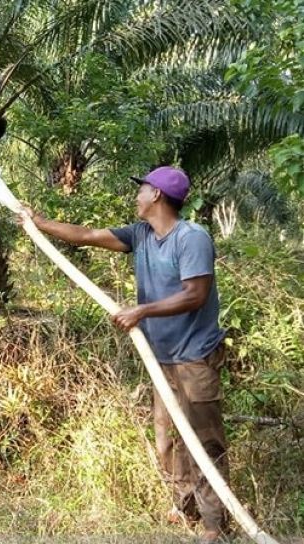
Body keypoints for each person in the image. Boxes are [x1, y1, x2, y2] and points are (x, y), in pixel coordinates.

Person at [19, 166, 229, 542]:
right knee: (167, 437)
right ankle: (185, 506)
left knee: (204, 438)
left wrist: (141, 310)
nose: (137, 196)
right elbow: (85, 236)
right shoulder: (141, 235)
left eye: (142, 189)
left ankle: (213, 524)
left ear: (158, 196)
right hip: (162, 357)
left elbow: (195, 294)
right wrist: (39, 222)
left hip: (194, 356)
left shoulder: (192, 238)